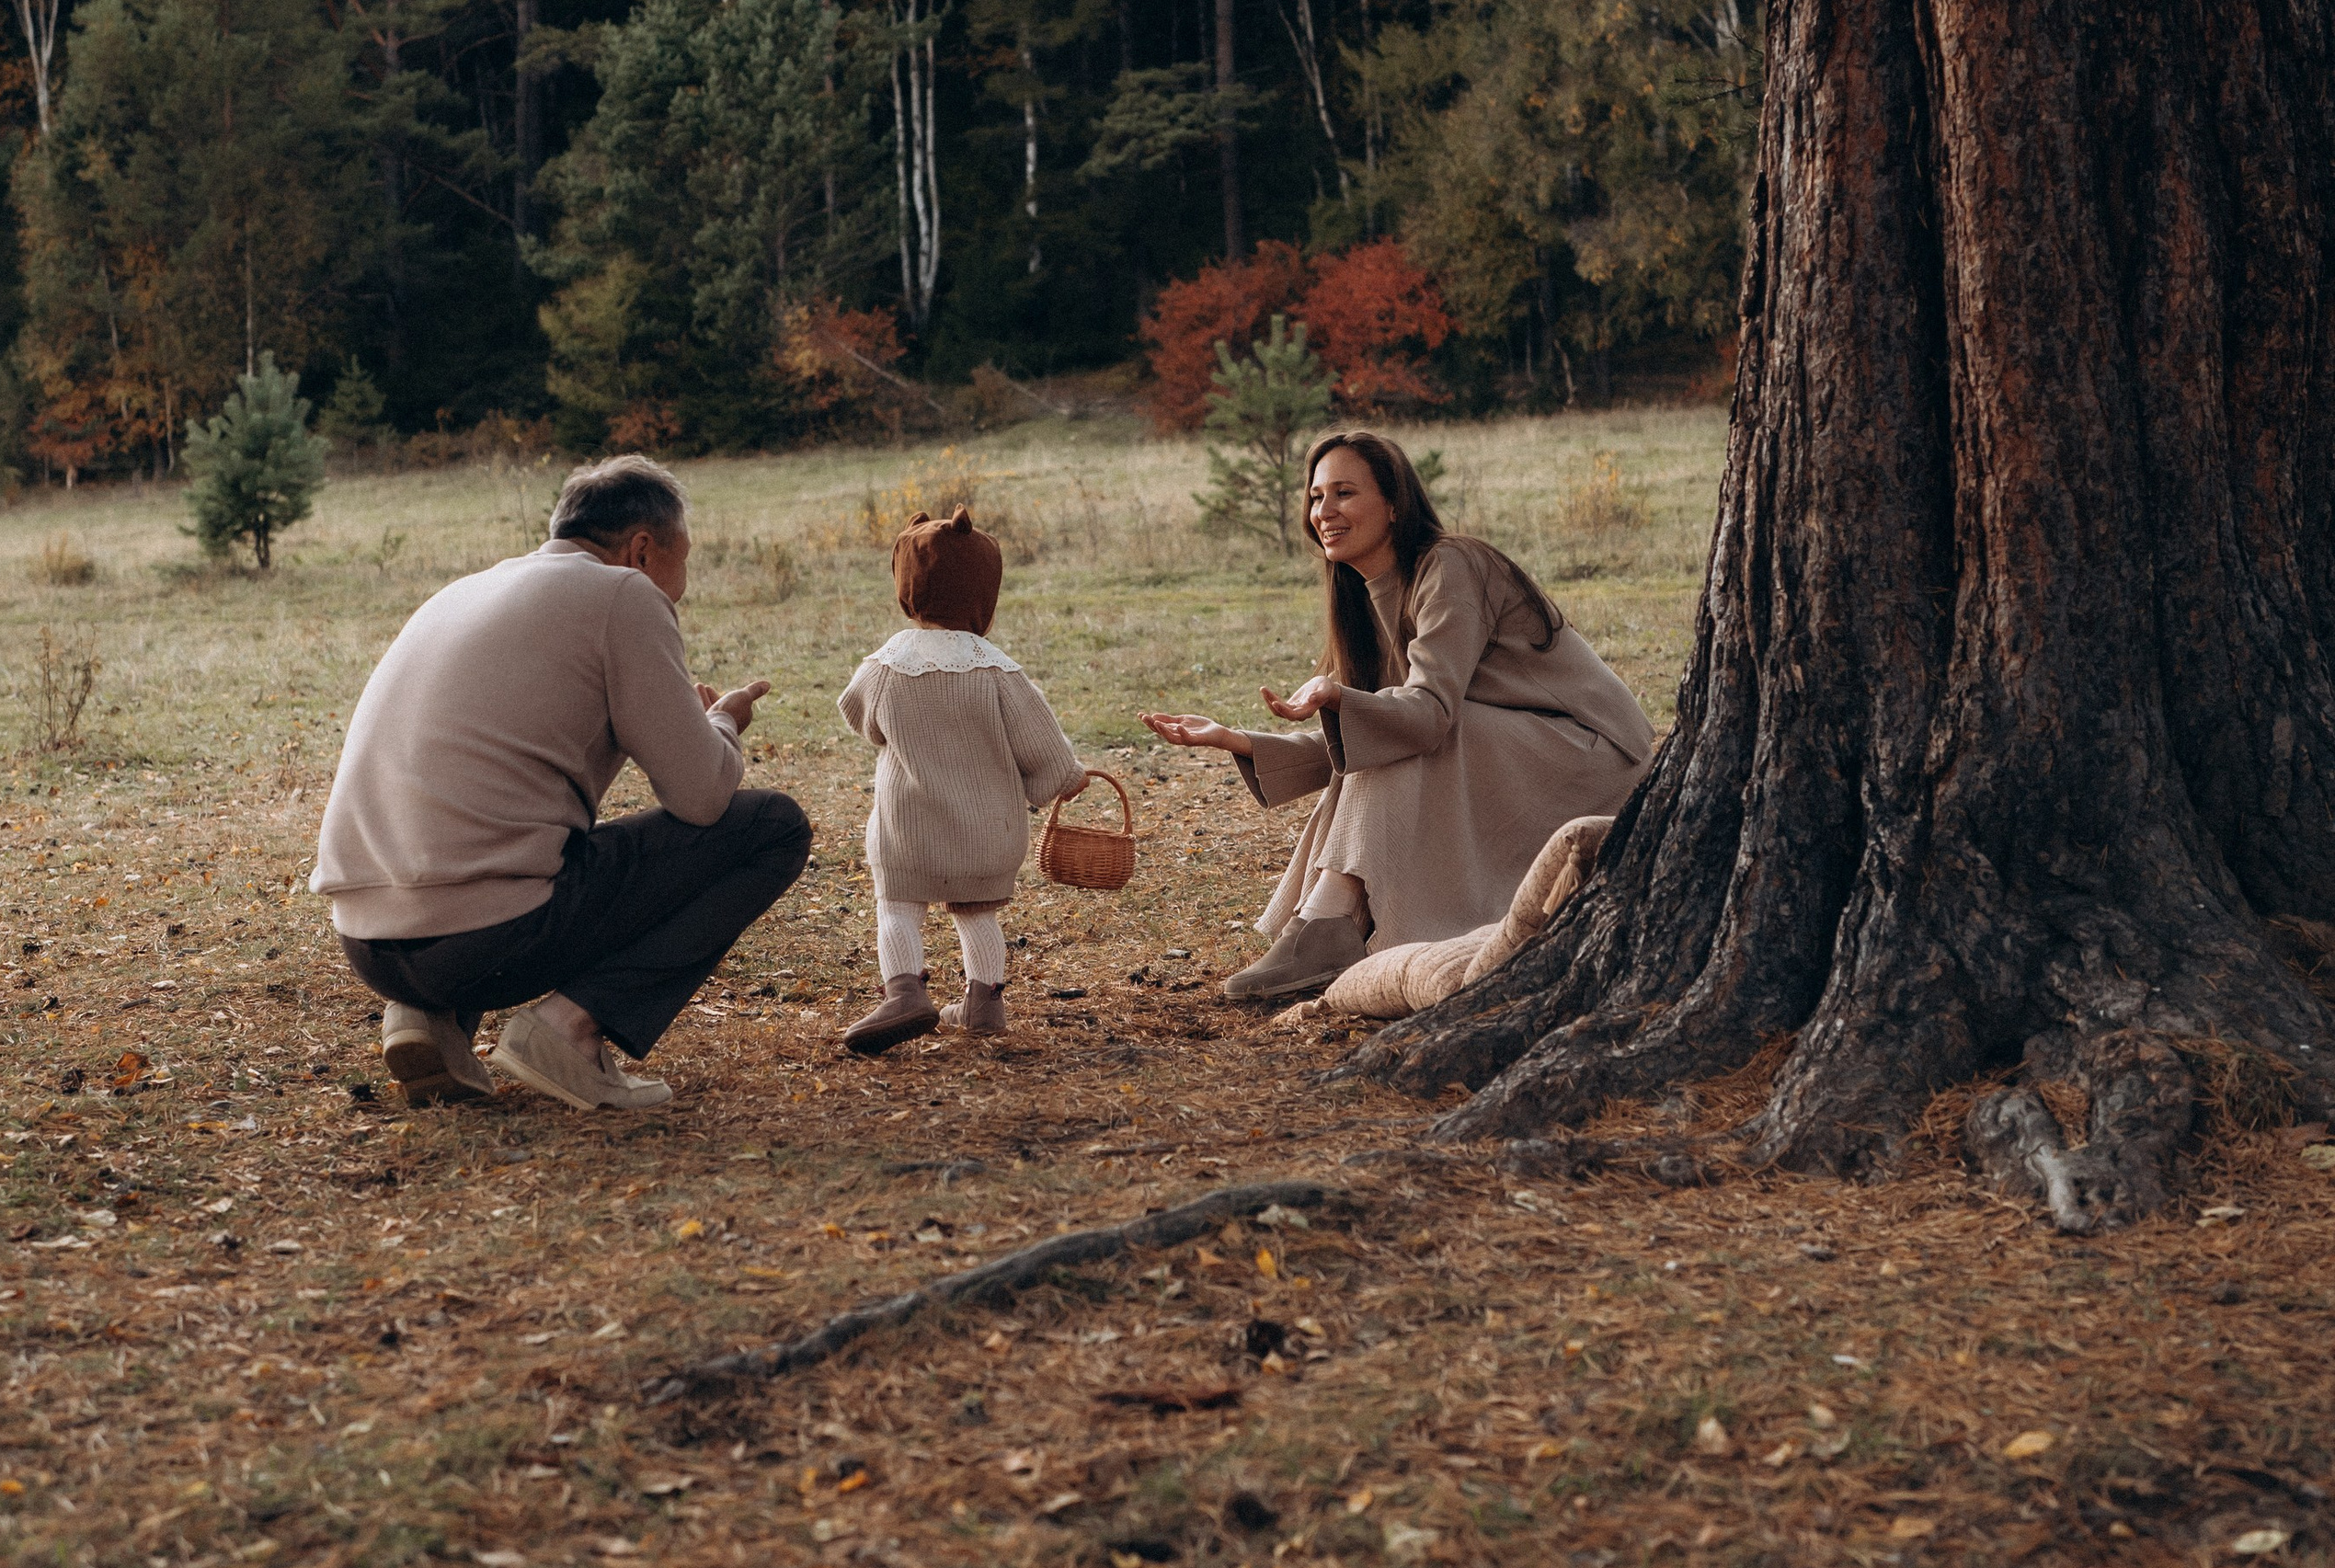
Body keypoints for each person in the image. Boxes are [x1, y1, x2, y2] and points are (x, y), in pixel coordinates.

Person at [312, 454, 808, 1113]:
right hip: (484, 940)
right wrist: (719, 723)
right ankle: (570, 1031)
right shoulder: (623, 595)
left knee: (490, 832)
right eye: (680, 564)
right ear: (641, 551)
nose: (677, 591)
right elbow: (702, 797)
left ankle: (428, 1020)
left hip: (370, 943)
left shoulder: (463, 592)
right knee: (773, 828)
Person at [1142, 429, 1654, 1004]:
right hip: (1506, 752)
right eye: (1315, 497)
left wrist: (1340, 700)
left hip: (1591, 759)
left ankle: (1331, 922)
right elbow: (1372, 731)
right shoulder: (1361, 600)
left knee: (1407, 728)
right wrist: (1238, 740)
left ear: (1393, 505)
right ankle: (1328, 922)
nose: (1324, 511)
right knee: (1386, 728)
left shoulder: (1451, 565)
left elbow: (1427, 715)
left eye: (1344, 493)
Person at [837, 504, 1088, 1058]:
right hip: (986, 833)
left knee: (898, 907)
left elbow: (859, 718)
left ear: (908, 587)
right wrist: (1064, 778)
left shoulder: (883, 665)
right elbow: (1043, 745)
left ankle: (904, 991)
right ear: (984, 595)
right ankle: (983, 1003)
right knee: (977, 912)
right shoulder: (998, 668)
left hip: (907, 829)